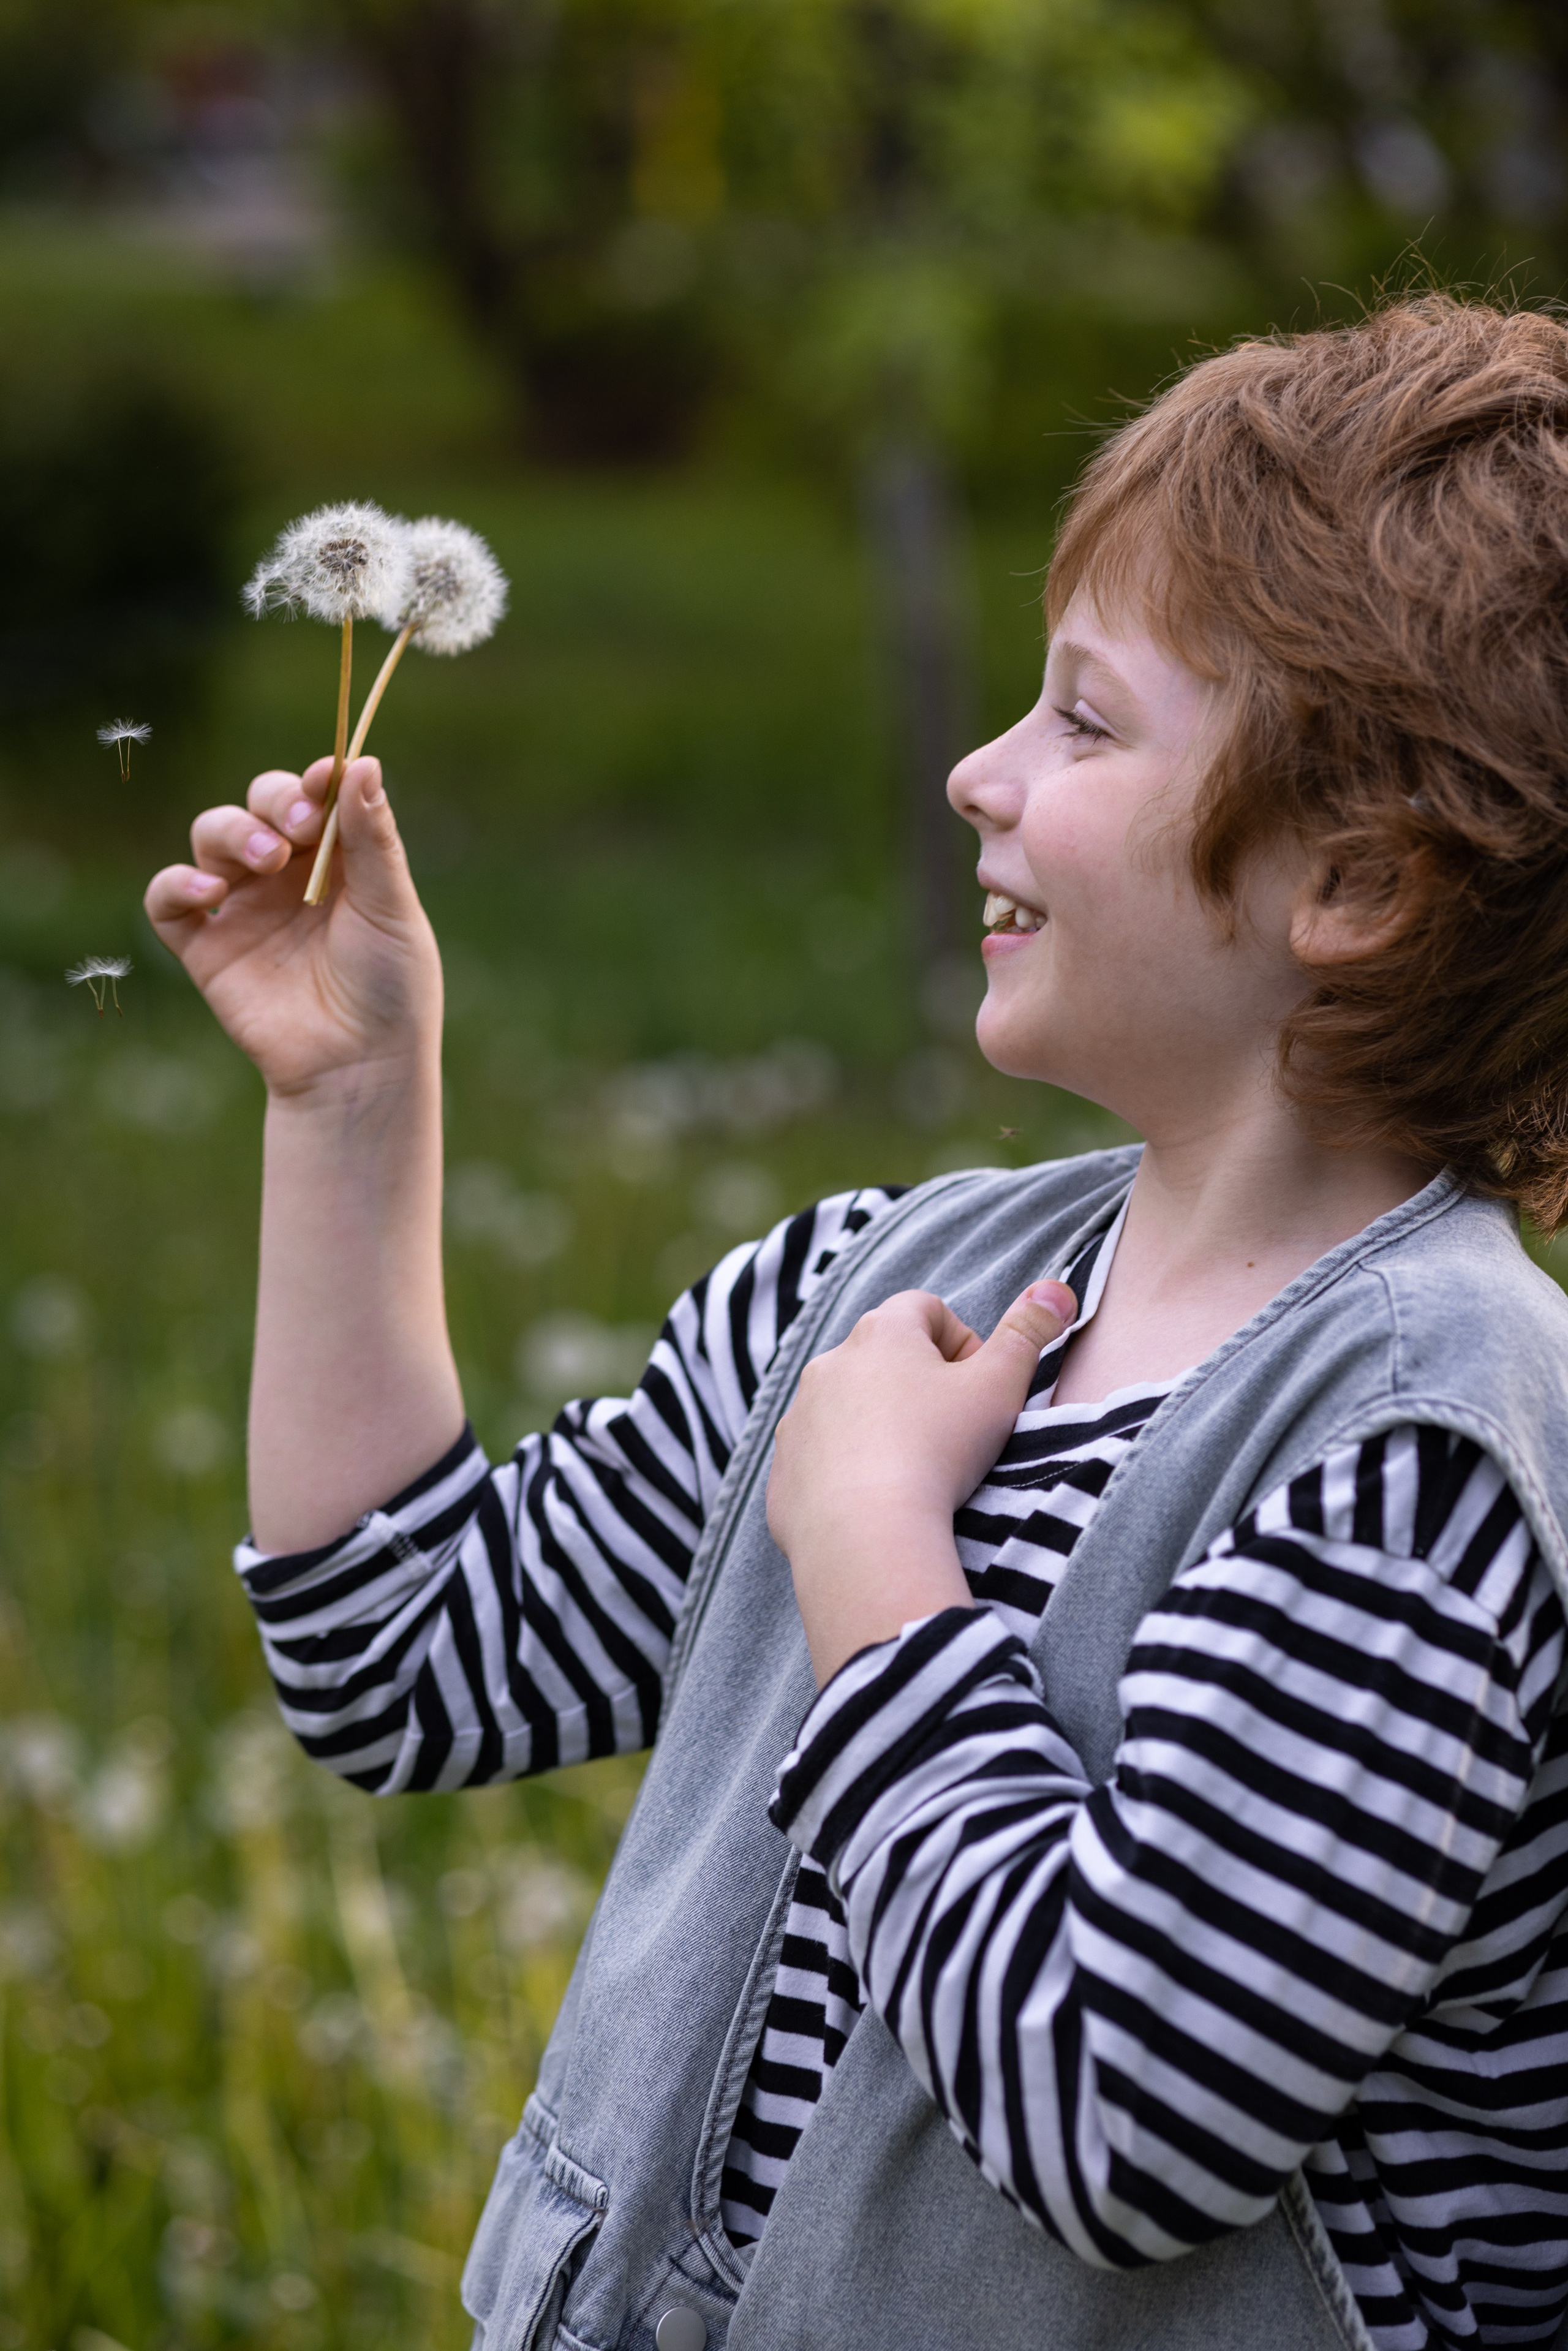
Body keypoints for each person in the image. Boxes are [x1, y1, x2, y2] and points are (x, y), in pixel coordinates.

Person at [146, 295, 1568, 2351]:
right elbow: (401, 1657)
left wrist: (881, 1562)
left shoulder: (1421, 1456)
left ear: (1354, 881)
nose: (983, 772)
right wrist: (351, 1101)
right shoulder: (871, 1296)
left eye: (1085, 721)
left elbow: (1126, 2114)